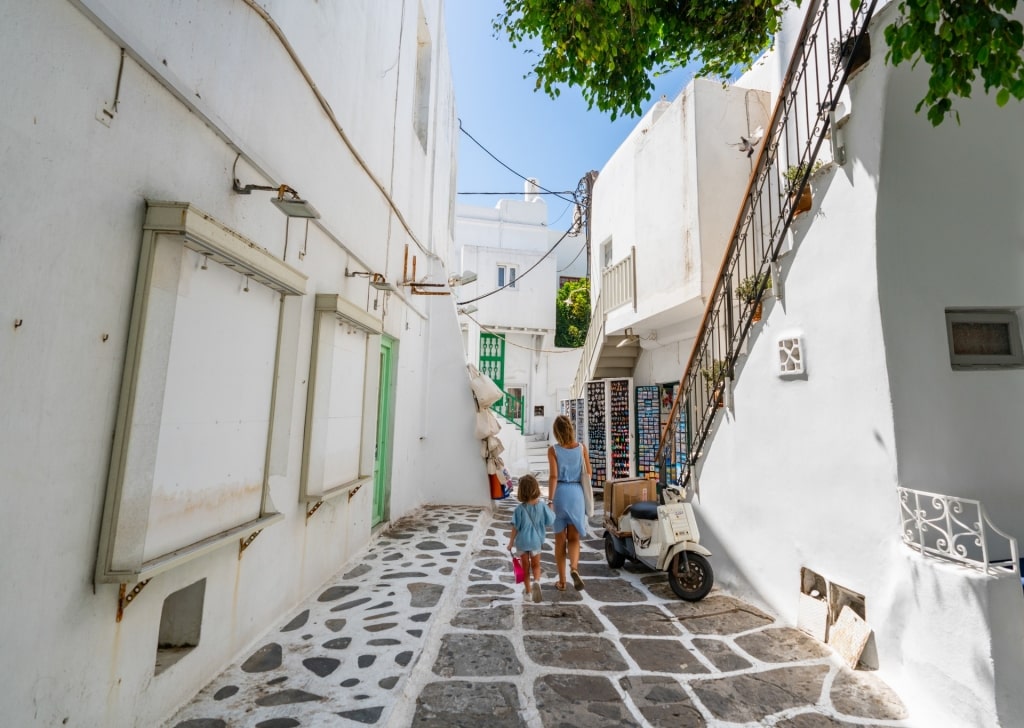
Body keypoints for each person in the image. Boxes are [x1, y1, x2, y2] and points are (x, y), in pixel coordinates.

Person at [548, 415, 592, 591]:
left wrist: (550, 500)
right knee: (574, 538)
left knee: (560, 540)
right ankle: (574, 568)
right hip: (576, 495)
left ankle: (562, 581)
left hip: (560, 494)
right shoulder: (581, 448)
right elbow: (588, 473)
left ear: (556, 432)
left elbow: (553, 476)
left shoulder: (553, 450)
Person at [507, 474, 555, 603]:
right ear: (536, 489)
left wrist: (511, 543)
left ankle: (528, 592)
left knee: (525, 568)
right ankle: (537, 582)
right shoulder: (542, 506)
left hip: (522, 542)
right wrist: (551, 507)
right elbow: (550, 520)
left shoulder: (519, 509)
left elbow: (515, 527)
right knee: (536, 565)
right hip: (536, 542)